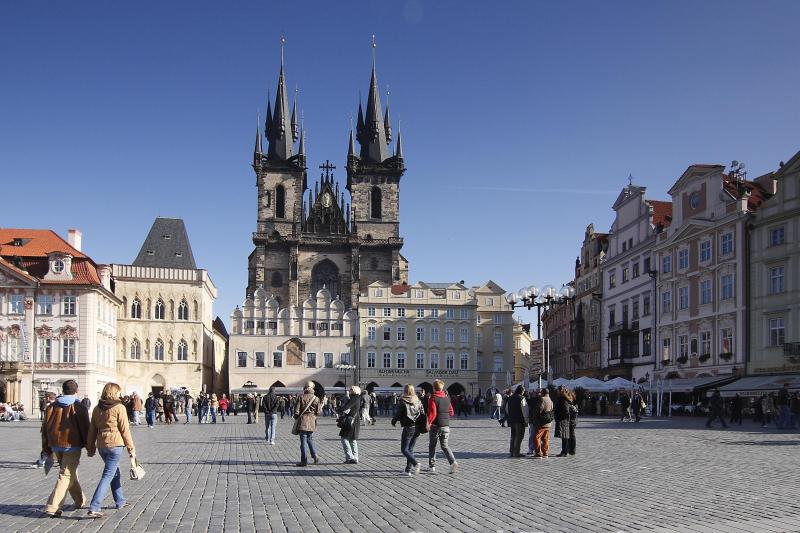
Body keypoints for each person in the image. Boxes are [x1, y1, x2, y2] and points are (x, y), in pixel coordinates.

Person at [40, 379, 91, 517]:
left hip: (55, 444)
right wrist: (89, 445)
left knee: (69, 473)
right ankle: (53, 506)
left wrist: (46, 446)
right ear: (76, 391)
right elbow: (85, 427)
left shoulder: (51, 406)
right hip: (72, 445)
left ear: (63, 390)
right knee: (66, 474)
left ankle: (80, 500)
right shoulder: (79, 407)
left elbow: (44, 428)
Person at [86, 383, 136, 519]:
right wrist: (131, 448)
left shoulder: (97, 408)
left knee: (115, 472)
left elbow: (92, 430)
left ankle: (120, 501)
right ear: (114, 393)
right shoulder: (119, 407)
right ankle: (94, 506)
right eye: (118, 392)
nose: (120, 394)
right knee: (108, 474)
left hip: (102, 445)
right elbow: (125, 429)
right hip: (115, 444)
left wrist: (90, 447)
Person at [427, 379, 458, 474]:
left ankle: (432, 466)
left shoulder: (433, 398)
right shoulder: (447, 398)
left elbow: (433, 413)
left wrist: (428, 423)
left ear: (434, 388)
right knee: (445, 446)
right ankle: (453, 462)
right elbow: (451, 412)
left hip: (435, 425)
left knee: (432, 446)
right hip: (446, 426)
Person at [392, 384, 424, 476]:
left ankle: (415, 463)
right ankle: (407, 470)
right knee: (410, 449)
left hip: (409, 427)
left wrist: (394, 421)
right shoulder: (417, 400)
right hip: (417, 427)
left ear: (405, 391)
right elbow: (422, 412)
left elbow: (398, 413)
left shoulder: (403, 401)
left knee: (404, 449)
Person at [294, 382, 322, 467]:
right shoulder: (316, 398)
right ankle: (315, 456)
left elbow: (296, 411)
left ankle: (304, 461)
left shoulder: (301, 397)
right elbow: (318, 412)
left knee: (303, 442)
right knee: (309, 439)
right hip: (312, 421)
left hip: (303, 421)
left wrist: (296, 418)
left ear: (305, 388)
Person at [338, 385, 363, 464]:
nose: (349, 390)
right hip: (354, 420)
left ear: (354, 390)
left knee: (344, 438)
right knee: (352, 440)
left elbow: (346, 407)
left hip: (350, 421)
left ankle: (350, 457)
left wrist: (339, 410)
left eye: (351, 389)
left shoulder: (354, 398)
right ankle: (355, 458)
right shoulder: (357, 398)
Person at [529, 388, 553, 458]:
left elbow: (539, 409)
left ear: (542, 393)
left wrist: (534, 416)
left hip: (541, 421)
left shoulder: (542, 399)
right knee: (545, 438)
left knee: (537, 437)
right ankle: (545, 453)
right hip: (548, 422)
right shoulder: (550, 399)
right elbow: (551, 409)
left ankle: (538, 453)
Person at [506, 386, 528, 457]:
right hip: (520, 420)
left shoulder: (510, 398)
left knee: (513, 436)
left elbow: (506, 409)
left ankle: (511, 451)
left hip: (512, 420)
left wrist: (511, 415)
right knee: (519, 436)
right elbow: (525, 411)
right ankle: (516, 452)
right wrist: (526, 420)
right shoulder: (522, 398)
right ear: (521, 391)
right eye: (523, 391)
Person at [555, 386, 577, 457]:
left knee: (565, 436)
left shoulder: (563, 399)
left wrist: (559, 417)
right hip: (568, 420)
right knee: (568, 435)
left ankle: (564, 452)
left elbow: (566, 411)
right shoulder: (567, 398)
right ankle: (570, 450)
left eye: (558, 390)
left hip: (564, 420)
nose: (557, 391)